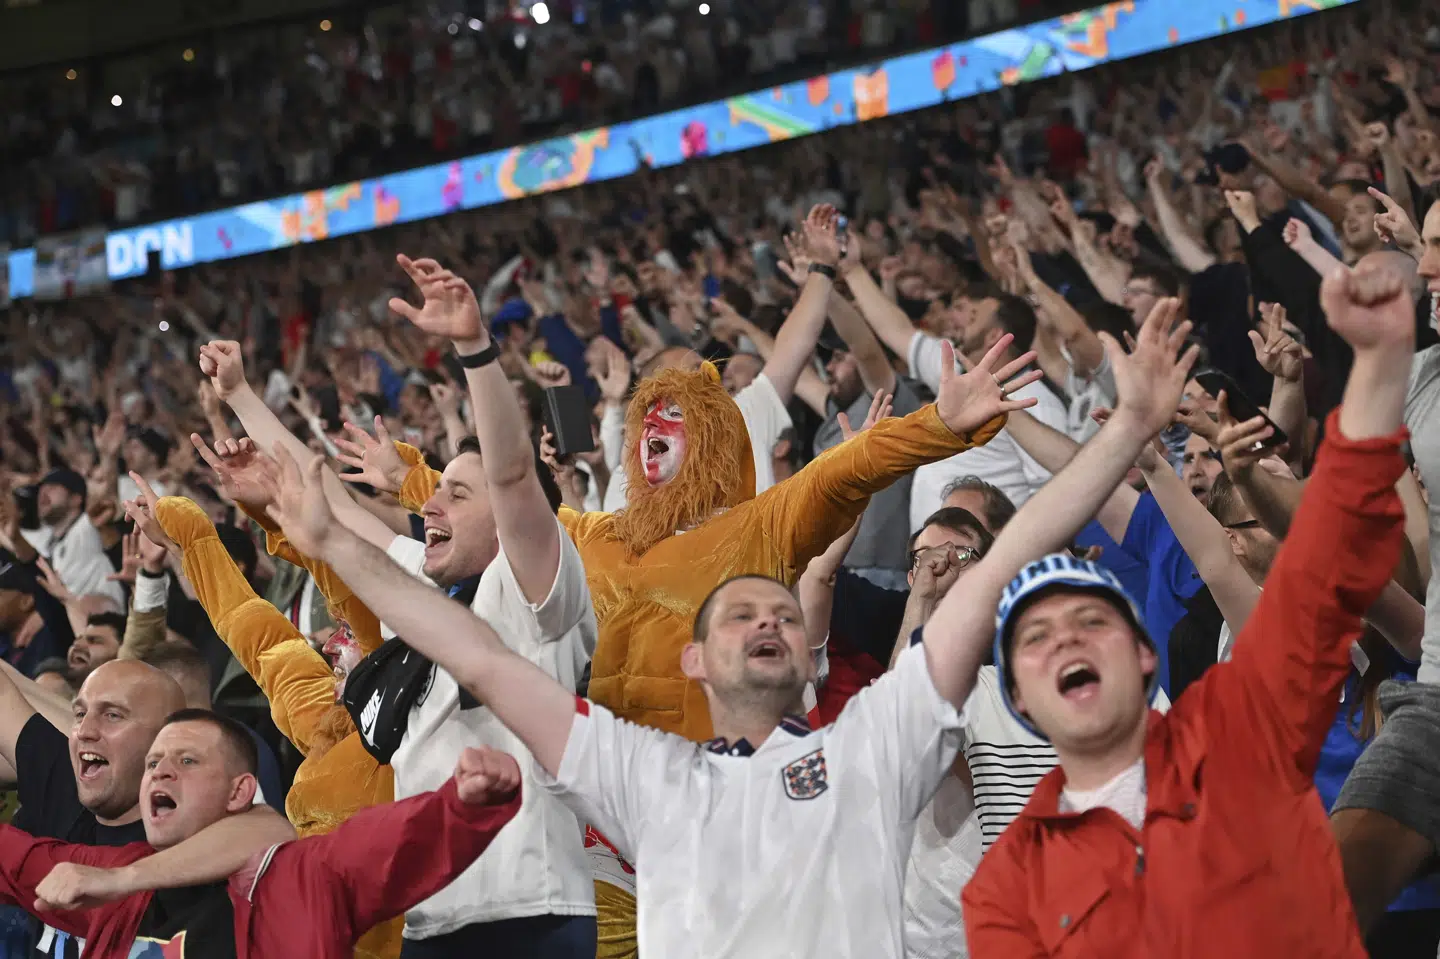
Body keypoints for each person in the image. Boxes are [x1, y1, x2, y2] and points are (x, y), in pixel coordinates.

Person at [248, 287, 1196, 957]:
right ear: (700, 656)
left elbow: (964, 537)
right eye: (740, 609)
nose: (766, 617)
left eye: (780, 605)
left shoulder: (869, 742)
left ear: (811, 656)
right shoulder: (647, 776)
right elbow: (481, 618)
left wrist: (1109, 431)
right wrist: (336, 525)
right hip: (599, 872)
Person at [961, 262, 1414, 955]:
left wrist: (1381, 364)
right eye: (1036, 637)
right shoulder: (1004, 888)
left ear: (1145, 653)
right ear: (1017, 694)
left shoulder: (1236, 726)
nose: (1066, 641)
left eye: (1091, 621)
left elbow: (1327, 559)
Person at [205, 275, 600, 956]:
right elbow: (326, 497)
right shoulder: (418, 582)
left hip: (532, 913)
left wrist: (476, 350)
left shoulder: (535, 587)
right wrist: (241, 393)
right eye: (435, 492)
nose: (432, 505)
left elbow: (510, 477)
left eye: (456, 493)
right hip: (429, 921)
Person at [0, 710, 523, 959]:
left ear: (239, 791)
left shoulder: (297, 879)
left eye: (187, 761)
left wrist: (462, 804)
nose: (159, 772)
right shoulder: (112, 880)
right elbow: (14, 858)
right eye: (153, 763)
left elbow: (386, 845)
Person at [0, 658, 295, 959]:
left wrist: (122, 879)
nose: (85, 730)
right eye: (79, 714)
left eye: (113, 715)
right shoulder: (64, 792)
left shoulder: (203, 833)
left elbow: (273, 831)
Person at [15, 470, 123, 608]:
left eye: (52, 487)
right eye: (40, 490)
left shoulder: (87, 525)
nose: (43, 493)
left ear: (76, 499)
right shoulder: (51, 544)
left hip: (109, 619)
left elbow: (109, 503)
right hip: (80, 622)